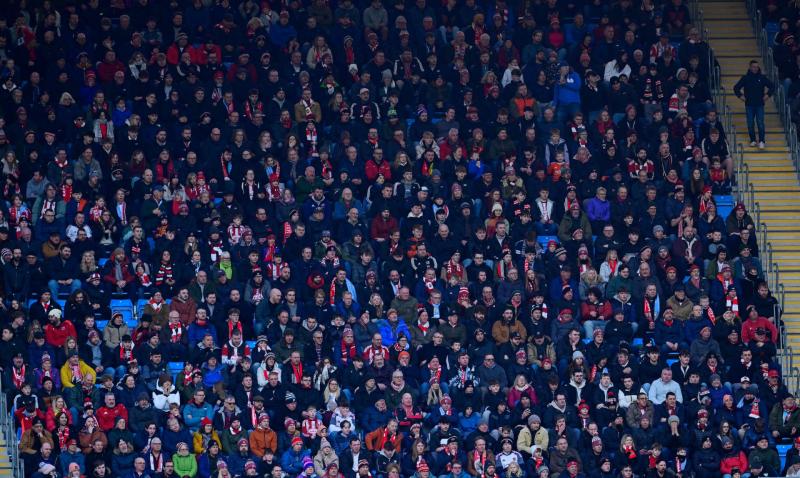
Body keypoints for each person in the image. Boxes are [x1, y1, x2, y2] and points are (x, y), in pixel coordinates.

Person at [733, 60, 774, 149]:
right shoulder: (745, 78)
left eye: (757, 67)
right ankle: (753, 140)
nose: (755, 68)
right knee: (750, 123)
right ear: (750, 67)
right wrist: (741, 96)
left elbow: (772, 86)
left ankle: (762, 141)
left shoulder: (762, 77)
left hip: (759, 104)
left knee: (760, 123)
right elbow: (736, 88)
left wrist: (767, 95)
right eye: (753, 67)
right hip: (749, 105)